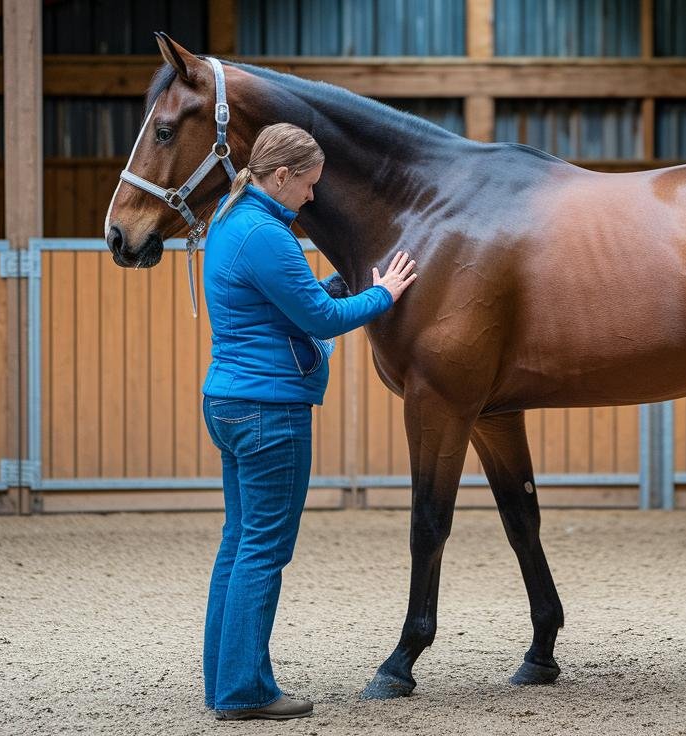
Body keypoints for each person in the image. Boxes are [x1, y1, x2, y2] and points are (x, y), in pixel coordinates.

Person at [200, 122, 417, 721]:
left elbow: (285, 305)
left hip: (230, 401)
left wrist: (340, 282)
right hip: (270, 410)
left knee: (239, 543)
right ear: (282, 176)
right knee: (264, 550)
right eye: (310, 184)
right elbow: (320, 319)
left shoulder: (230, 215)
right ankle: (245, 690)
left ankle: (223, 680)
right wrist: (385, 295)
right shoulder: (267, 234)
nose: (313, 197)